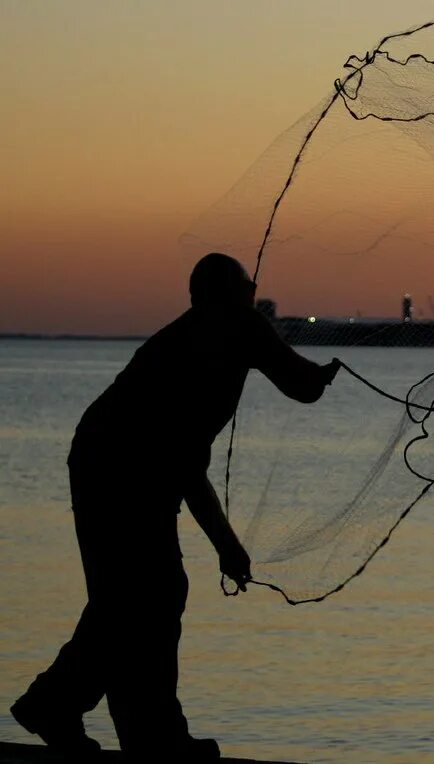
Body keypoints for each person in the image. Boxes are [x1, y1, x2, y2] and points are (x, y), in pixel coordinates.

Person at [10, 253, 341, 760]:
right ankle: (126, 726)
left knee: (132, 596)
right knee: (149, 592)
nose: (254, 292)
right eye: (248, 285)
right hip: (117, 468)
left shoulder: (195, 334)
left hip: (108, 461)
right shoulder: (237, 326)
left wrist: (226, 544)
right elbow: (299, 387)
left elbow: (183, 463)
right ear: (226, 294)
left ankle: (111, 723)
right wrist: (321, 376)